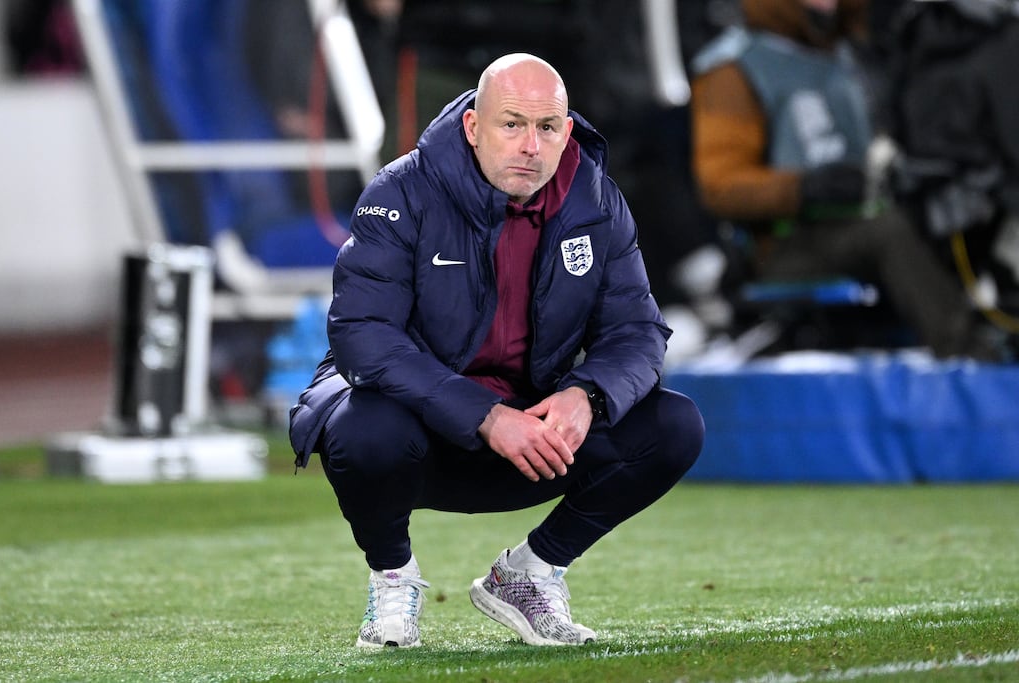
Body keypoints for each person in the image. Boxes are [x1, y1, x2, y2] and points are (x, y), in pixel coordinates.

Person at [288, 53, 705, 648]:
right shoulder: (401, 191)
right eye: (512, 124)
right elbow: (363, 337)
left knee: (674, 425)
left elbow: (638, 332)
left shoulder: (597, 201)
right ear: (473, 128)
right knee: (362, 428)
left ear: (565, 132)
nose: (530, 145)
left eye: (546, 127)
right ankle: (392, 577)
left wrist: (586, 394)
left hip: (532, 439)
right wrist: (483, 415)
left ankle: (530, 575)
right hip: (423, 437)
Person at [689, 0, 1003, 360]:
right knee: (889, 233)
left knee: (957, 216)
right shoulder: (735, 66)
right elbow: (719, 185)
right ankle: (971, 355)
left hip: (861, 218)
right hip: (785, 244)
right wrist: (803, 188)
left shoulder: (847, 55)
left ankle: (997, 325)